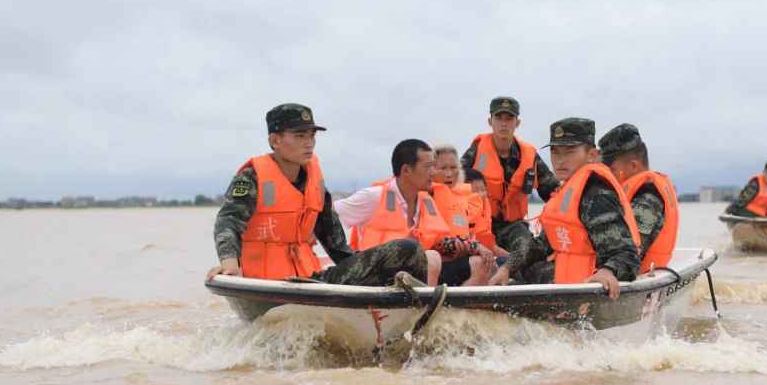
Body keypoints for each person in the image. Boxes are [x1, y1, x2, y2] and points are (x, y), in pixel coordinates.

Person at [207, 104, 427, 286]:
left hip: (310, 281)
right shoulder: (252, 176)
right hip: (266, 284)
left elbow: (338, 247)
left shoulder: (315, 180)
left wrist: (372, 273)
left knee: (408, 250)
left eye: (312, 135)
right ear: (275, 141)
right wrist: (229, 265)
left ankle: (416, 316)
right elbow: (227, 221)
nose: (309, 142)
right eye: (300, 135)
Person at [500, 118, 641, 299]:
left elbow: (627, 254)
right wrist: (508, 267)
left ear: (591, 155)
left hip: (586, 288)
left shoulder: (596, 196)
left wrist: (608, 271)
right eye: (555, 152)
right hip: (565, 281)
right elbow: (542, 245)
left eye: (569, 152)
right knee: (506, 264)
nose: (560, 160)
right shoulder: (568, 190)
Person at [335, 139, 494, 286]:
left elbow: (438, 242)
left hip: (414, 276)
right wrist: (345, 258)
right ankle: (424, 308)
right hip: (376, 277)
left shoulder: (426, 201)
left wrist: (474, 246)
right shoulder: (374, 197)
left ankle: (443, 310)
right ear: (406, 170)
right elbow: (327, 217)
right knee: (431, 258)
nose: (433, 172)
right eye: (427, 166)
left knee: (479, 264)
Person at [461, 96, 561, 284]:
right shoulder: (476, 150)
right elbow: (454, 184)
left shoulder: (529, 155)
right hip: (480, 224)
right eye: (499, 118)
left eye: (509, 118)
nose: (504, 123)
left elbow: (553, 190)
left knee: (525, 243)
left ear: (517, 123)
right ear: (490, 121)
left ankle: (519, 281)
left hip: (512, 225)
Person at [599, 123, 680, 273]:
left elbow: (629, 251)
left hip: (637, 275)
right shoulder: (636, 191)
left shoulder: (648, 198)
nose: (607, 175)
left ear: (633, 166)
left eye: (612, 170)